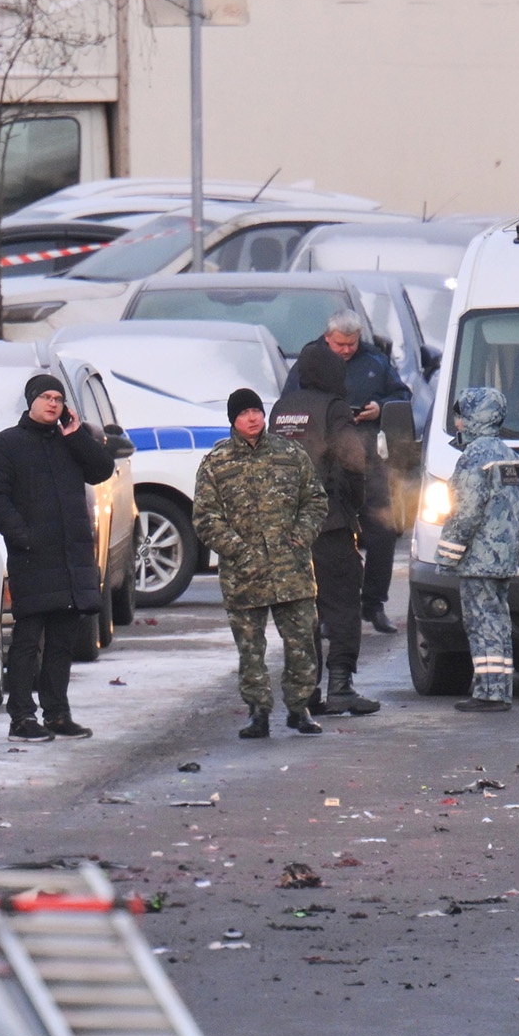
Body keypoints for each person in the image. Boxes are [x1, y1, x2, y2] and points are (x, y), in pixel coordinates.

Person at [0, 373, 117, 743]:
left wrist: (77, 435)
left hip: (72, 558)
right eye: (46, 398)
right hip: (33, 558)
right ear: (31, 402)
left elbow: (101, 469)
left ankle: (57, 713)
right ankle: (21, 717)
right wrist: (22, 535)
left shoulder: (68, 442)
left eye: (58, 398)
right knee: (28, 639)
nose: (53, 404)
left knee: (62, 641)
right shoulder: (7, 444)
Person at [193, 387, 330, 738]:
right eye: (244, 413)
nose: (252, 418)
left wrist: (300, 536)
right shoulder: (217, 463)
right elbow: (206, 517)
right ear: (232, 420)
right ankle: (258, 712)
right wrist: (237, 550)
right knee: (251, 648)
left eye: (256, 411)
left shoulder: (289, 454)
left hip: (291, 570)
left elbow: (314, 500)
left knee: (302, 642)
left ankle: (300, 708)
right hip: (244, 574)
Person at [271, 342, 380, 717]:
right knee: (342, 604)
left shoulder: (281, 410)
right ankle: (340, 686)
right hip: (329, 525)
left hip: (286, 530)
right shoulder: (334, 408)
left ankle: (305, 691)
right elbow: (353, 461)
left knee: (302, 610)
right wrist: (357, 506)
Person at [288, 309, 410, 633]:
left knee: (383, 532)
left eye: (351, 344)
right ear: (327, 338)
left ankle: (374, 604)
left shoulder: (375, 361)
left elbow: (402, 395)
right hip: (322, 462)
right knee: (328, 537)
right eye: (340, 344)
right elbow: (291, 402)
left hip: (368, 457)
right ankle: (327, 611)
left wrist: (379, 409)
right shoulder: (310, 360)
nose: (345, 350)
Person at [437, 385, 519, 713]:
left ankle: (487, 693)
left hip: (479, 559)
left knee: (481, 621)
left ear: (475, 417)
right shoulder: (509, 456)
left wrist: (448, 553)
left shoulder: (475, 457)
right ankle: (500, 688)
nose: (458, 424)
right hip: (503, 557)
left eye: (462, 416)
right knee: (499, 622)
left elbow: (465, 511)